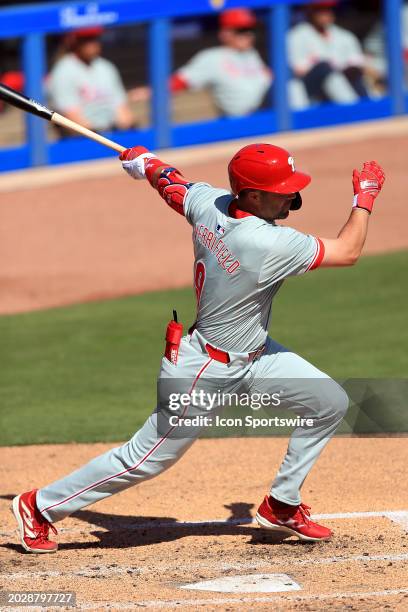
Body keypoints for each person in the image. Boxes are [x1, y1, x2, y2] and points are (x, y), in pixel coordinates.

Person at [12, 143, 385, 552]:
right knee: (146, 458)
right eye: (281, 190)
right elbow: (347, 251)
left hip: (255, 356)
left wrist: (146, 163)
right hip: (203, 370)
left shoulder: (211, 203)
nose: (291, 197)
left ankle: (282, 503)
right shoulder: (264, 243)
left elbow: (174, 186)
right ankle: (40, 506)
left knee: (327, 401)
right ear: (253, 196)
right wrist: (363, 197)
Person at [132, 8, 308, 115]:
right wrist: (150, 92)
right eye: (241, 30)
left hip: (269, 107)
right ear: (224, 33)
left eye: (250, 30)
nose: (248, 35)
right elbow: (181, 81)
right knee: (292, 86)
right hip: (248, 114)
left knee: (293, 83)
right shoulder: (212, 57)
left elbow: (269, 78)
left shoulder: (251, 54)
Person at [47, 27, 135, 134]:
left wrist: (127, 133)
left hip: (112, 131)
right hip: (82, 138)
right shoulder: (63, 71)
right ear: (74, 41)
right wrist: (102, 138)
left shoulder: (106, 67)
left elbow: (122, 112)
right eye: (86, 39)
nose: (92, 43)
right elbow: (72, 119)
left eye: (95, 38)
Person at [288, 1, 369, 104]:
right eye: (319, 10)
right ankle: (350, 108)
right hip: (311, 86)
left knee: (352, 72)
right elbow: (297, 69)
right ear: (310, 12)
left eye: (327, 9)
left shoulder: (345, 35)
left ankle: (367, 106)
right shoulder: (296, 35)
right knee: (325, 69)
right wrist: (319, 63)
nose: (325, 14)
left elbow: (358, 62)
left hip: (344, 79)